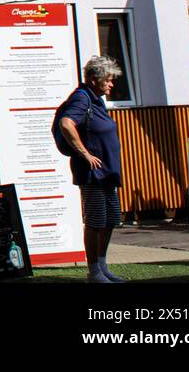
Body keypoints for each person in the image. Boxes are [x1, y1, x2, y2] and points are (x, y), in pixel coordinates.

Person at [59, 56, 125, 283]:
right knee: (96, 220)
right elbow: (66, 123)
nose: (111, 84)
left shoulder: (96, 99)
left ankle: (103, 266)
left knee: (111, 218)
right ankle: (94, 271)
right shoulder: (82, 97)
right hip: (92, 174)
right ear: (95, 79)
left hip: (107, 173)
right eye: (108, 80)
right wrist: (84, 154)